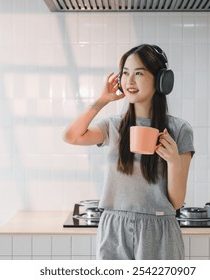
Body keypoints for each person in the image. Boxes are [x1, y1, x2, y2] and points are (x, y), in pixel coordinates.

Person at [62, 44, 195, 260]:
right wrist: (102, 100)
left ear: (162, 80)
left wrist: (173, 162)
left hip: (159, 229)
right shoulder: (113, 126)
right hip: (114, 228)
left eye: (139, 73)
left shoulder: (179, 130)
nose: (129, 81)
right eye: (125, 73)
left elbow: (177, 201)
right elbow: (72, 136)